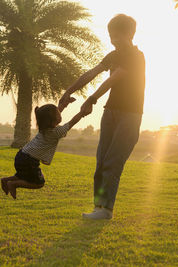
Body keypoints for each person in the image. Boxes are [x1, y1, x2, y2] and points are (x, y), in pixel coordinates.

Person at [59, 14, 146, 220]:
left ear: (130, 34)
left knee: (113, 162)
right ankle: (98, 207)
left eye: (117, 36)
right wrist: (68, 91)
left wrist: (92, 98)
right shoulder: (112, 56)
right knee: (100, 162)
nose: (113, 40)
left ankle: (106, 210)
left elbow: (115, 79)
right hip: (110, 112)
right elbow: (91, 73)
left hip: (130, 115)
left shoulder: (136, 56)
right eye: (110, 36)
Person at [1, 99, 85, 199]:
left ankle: (5, 180)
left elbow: (54, 113)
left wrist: (64, 104)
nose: (60, 111)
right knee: (39, 183)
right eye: (58, 112)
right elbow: (72, 122)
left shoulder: (43, 128)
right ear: (53, 120)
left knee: (23, 176)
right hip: (30, 160)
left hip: (21, 155)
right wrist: (82, 112)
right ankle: (14, 184)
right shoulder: (56, 132)